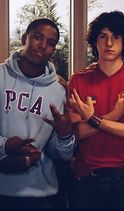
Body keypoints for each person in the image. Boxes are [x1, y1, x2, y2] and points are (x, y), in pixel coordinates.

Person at [67, 10, 124, 208]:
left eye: (116, 37)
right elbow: (78, 132)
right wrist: (116, 114)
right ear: (94, 41)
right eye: (103, 36)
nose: (109, 43)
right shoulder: (78, 79)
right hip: (85, 175)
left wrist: (93, 119)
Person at [0, 18, 75, 208]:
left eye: (50, 43)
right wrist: (5, 146)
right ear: (25, 37)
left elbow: (59, 153)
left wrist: (65, 136)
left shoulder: (58, 90)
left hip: (41, 195)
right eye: (38, 37)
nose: (43, 46)